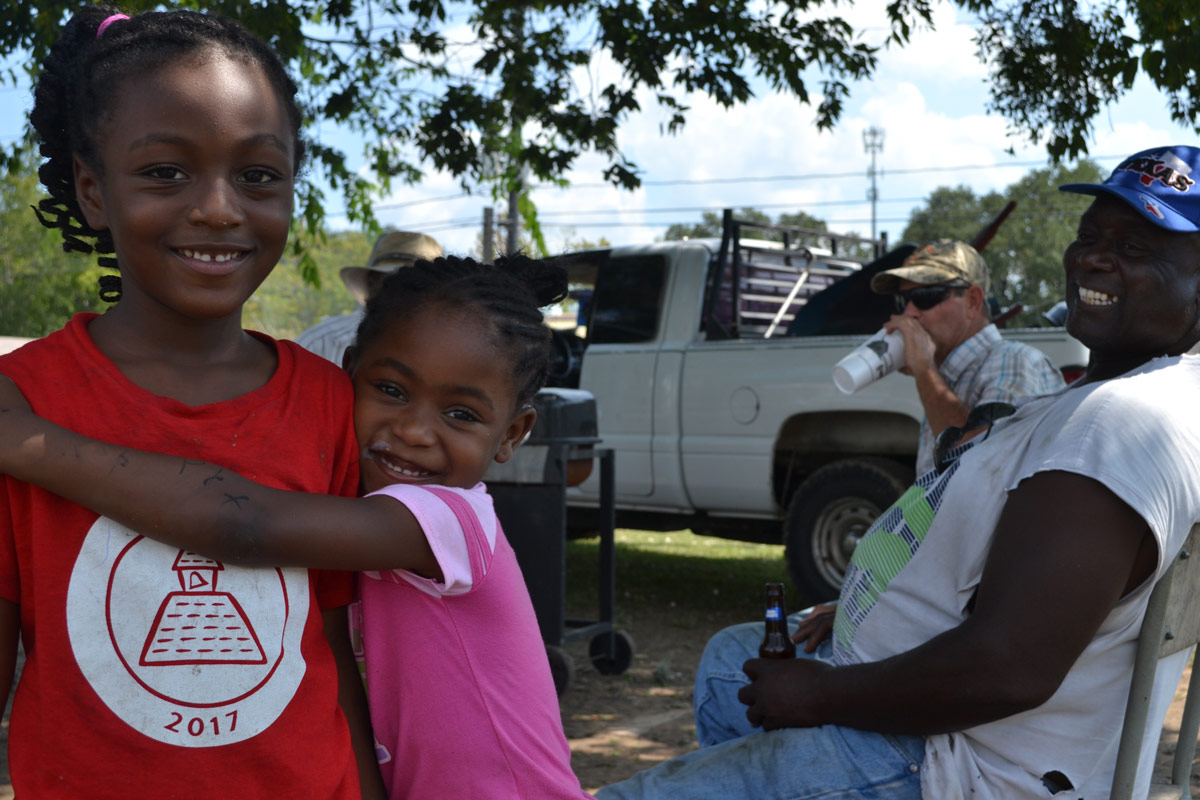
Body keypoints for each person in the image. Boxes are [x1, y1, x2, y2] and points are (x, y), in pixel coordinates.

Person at [592, 144, 1200, 798]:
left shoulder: (1117, 422)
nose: (1092, 256)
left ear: (972, 300)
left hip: (941, 759)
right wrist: (858, 602)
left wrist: (822, 693)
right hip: (916, 705)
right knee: (725, 669)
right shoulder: (1105, 401)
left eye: (1136, 247)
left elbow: (1010, 665)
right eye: (1088, 237)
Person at [0, 255, 597, 800]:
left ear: (513, 436)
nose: (415, 431)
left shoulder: (452, 521)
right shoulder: (360, 504)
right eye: (390, 390)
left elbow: (248, 522)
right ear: (348, 377)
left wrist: (31, 448)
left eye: (461, 414)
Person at [0, 7, 383, 797]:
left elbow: (332, 647)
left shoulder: (328, 402)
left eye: (258, 175)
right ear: (91, 191)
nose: (218, 208)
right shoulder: (21, 400)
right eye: (165, 172)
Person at [870, 239, 1067, 475]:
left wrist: (924, 370)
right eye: (904, 300)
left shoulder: (1012, 361)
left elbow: (984, 470)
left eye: (926, 296)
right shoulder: (945, 376)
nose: (909, 313)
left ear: (973, 301)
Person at [296, 230, 443, 363]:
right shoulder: (319, 344)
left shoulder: (454, 353)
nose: (400, 297)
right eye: (389, 285)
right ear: (371, 287)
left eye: (416, 288)